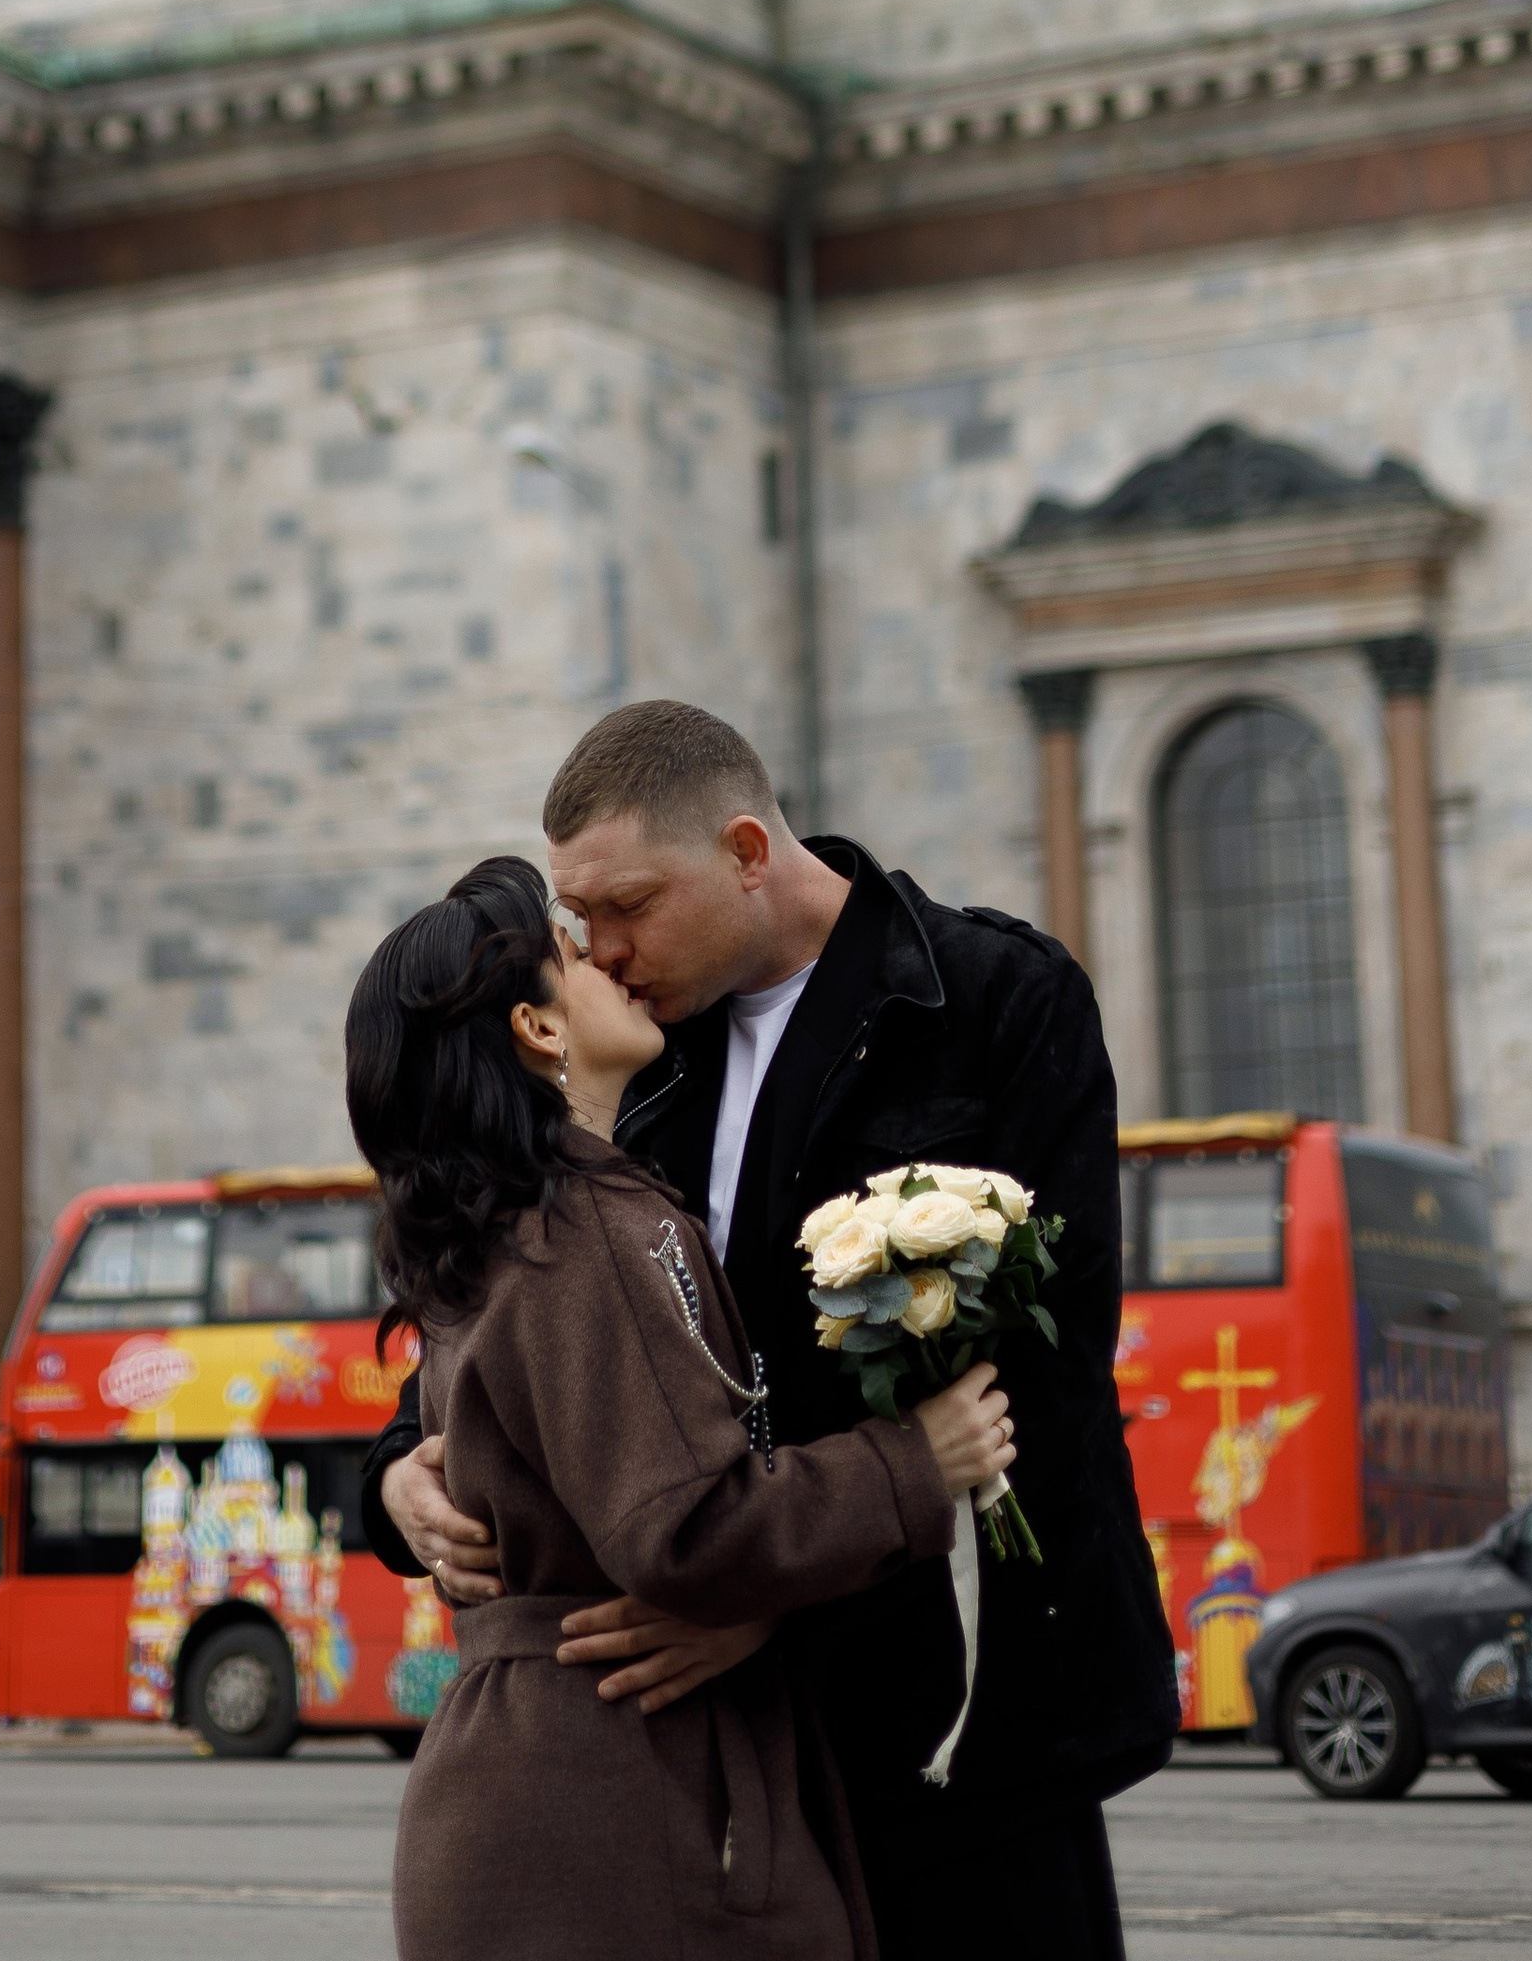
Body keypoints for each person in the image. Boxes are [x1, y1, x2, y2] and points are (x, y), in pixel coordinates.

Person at [365, 703, 1176, 1961]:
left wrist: (765, 1600)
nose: (604, 949)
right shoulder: (622, 1053)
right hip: (712, 1736)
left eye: (629, 904)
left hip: (959, 1710)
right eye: (579, 924)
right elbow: (519, 1300)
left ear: (746, 848)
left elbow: (1042, 1378)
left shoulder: (993, 998)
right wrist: (392, 1477)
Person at [349, 857, 1005, 1961]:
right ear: (540, 1032)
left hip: (542, 1792)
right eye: (570, 948)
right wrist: (913, 1460)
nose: (606, 954)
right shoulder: (589, 1227)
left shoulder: (507, 1227)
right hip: (622, 1805)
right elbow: (686, 1530)